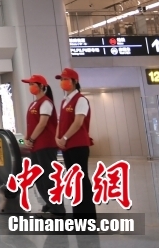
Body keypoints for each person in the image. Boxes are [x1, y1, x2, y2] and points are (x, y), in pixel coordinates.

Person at [55, 67, 96, 216]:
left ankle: (88, 215)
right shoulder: (64, 101)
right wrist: (57, 137)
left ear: (74, 81)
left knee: (81, 179)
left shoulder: (81, 100)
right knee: (73, 180)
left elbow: (78, 122)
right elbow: (61, 122)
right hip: (66, 146)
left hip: (78, 145)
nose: (62, 82)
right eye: (61, 80)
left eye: (65, 79)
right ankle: (78, 213)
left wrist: (65, 138)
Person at [21, 74, 65, 215]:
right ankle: (49, 203)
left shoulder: (46, 103)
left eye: (33, 84)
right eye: (29, 84)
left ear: (41, 86)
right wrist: (26, 139)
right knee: (39, 177)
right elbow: (31, 124)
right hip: (36, 146)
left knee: (48, 177)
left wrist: (32, 139)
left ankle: (58, 209)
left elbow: (42, 123)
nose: (30, 87)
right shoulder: (34, 103)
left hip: (45, 145)